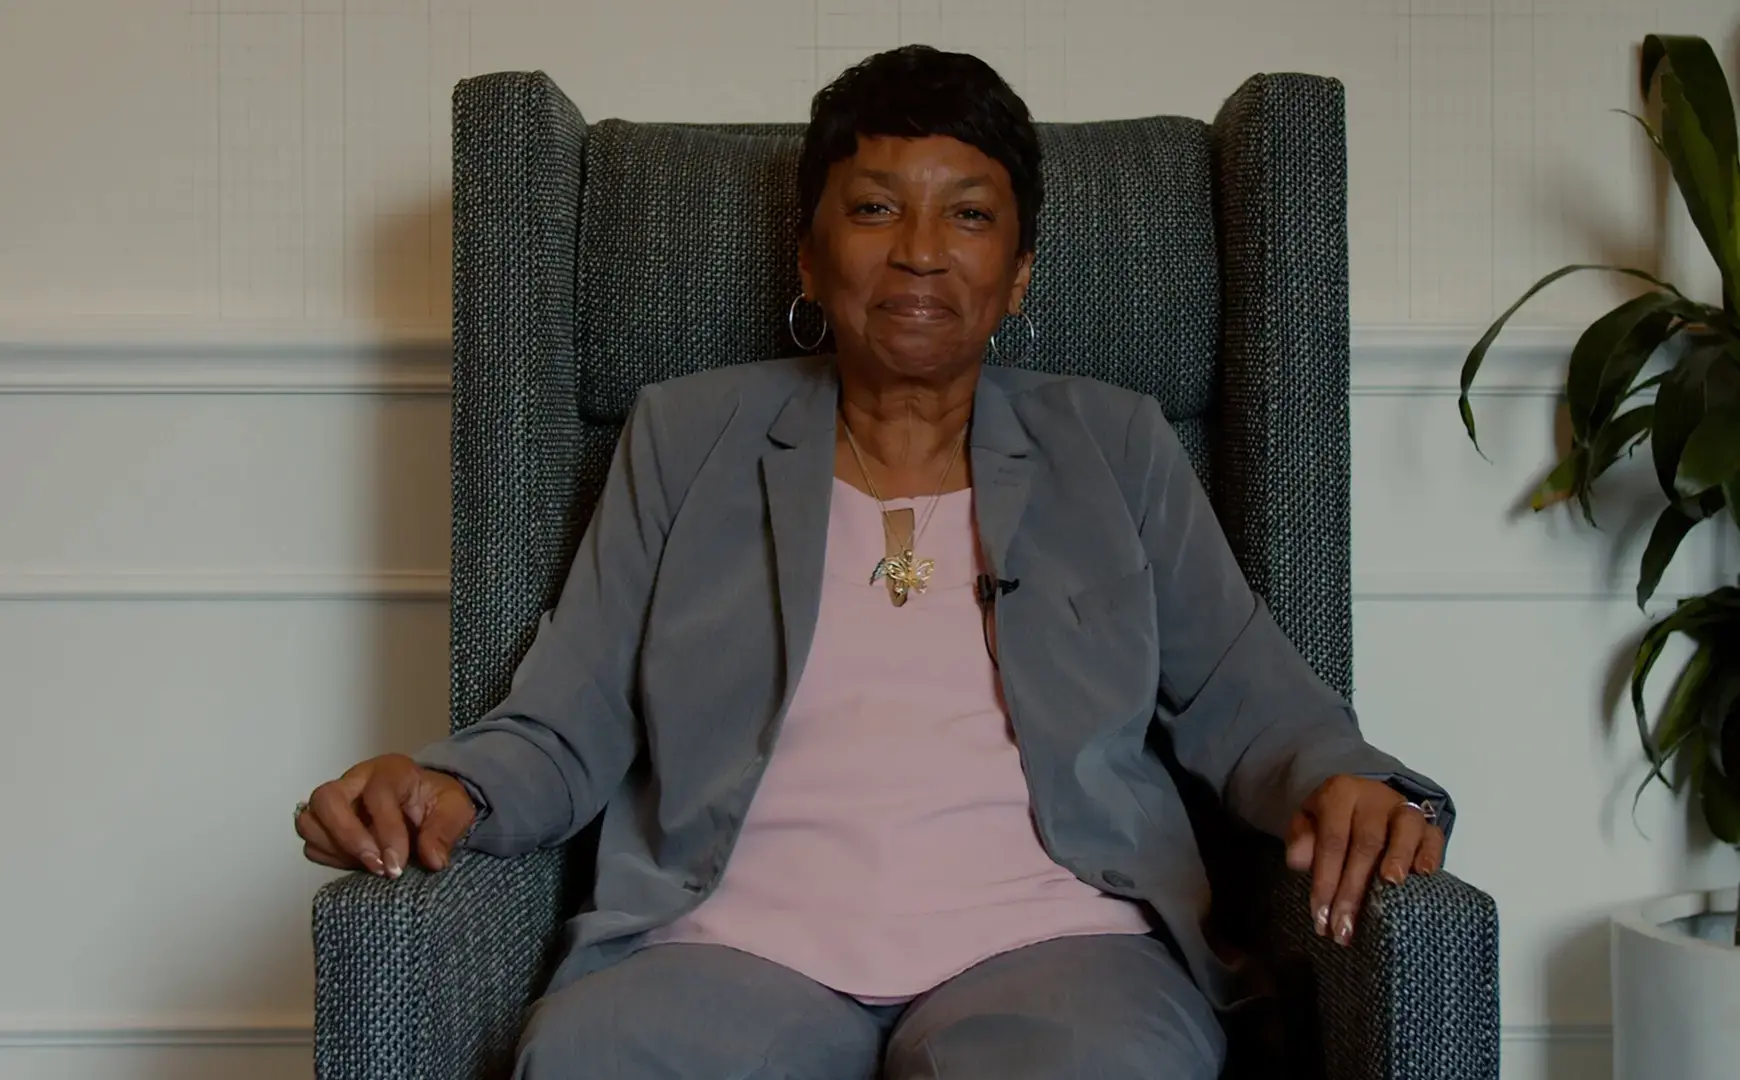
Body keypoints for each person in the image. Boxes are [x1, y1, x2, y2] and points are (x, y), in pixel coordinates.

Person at [296, 44, 1452, 1080]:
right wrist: (451, 786)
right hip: (731, 942)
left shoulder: (1118, 444)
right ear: (808, 256)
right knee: (602, 1057)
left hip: (1056, 940)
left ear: (1020, 274)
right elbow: (566, 717)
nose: (917, 254)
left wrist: (1346, 780)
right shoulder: (685, 437)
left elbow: (1250, 700)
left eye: (968, 216)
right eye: (874, 208)